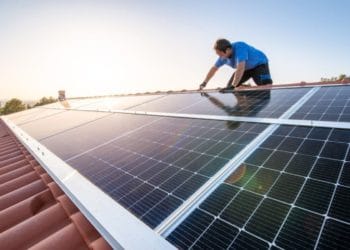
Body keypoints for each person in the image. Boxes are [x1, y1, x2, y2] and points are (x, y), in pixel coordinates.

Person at [199, 39, 273, 91]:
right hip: (246, 69)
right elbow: (214, 69)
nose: (220, 57)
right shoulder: (222, 57)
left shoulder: (240, 47)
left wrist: (233, 85)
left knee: (265, 87)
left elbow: (240, 67)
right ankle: (245, 103)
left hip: (259, 65)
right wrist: (204, 82)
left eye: (220, 54)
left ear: (227, 50)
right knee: (228, 88)